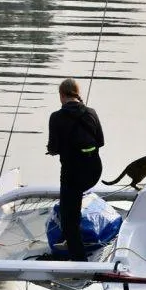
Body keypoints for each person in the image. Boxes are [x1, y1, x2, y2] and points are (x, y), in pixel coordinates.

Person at [46, 78, 105, 261]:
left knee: (69, 220)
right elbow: (100, 141)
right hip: (94, 171)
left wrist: (53, 150)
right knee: (74, 198)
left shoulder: (56, 117)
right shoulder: (91, 112)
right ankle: (72, 237)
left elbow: (54, 148)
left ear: (61, 95)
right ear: (77, 93)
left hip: (72, 173)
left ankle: (80, 262)